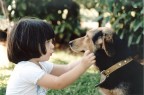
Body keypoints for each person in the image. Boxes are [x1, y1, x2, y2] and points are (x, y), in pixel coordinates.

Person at [6, 17, 96, 95]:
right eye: (47, 42)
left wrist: (87, 59)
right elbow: (59, 83)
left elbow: (67, 69)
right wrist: (83, 66)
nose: (53, 45)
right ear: (31, 44)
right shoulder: (26, 69)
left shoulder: (40, 65)